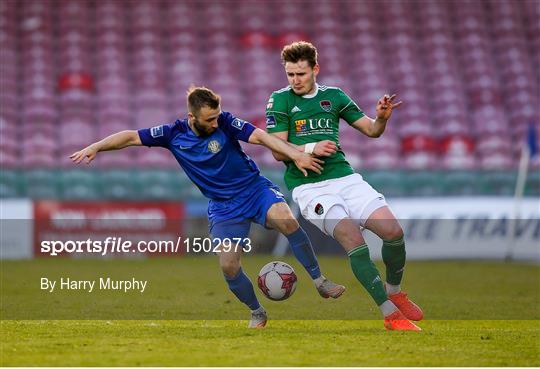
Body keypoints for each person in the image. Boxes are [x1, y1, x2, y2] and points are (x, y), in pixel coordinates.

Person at [71, 86, 345, 328]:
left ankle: (320, 281)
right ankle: (257, 312)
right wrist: (96, 146)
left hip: (253, 189)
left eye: (217, 116)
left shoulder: (226, 123)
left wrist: (296, 153)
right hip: (223, 207)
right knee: (228, 265)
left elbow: (261, 136)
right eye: (209, 119)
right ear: (192, 118)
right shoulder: (172, 134)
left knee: (286, 219)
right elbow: (131, 136)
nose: (215, 123)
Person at [265, 41, 423, 331]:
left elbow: (371, 130)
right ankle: (390, 315)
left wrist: (382, 119)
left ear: (315, 69)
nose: (295, 80)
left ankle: (395, 292)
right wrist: (311, 146)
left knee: (393, 232)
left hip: (346, 179)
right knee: (353, 239)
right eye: (290, 74)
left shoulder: (334, 96)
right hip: (310, 187)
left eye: (300, 73)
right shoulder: (280, 100)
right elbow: (277, 149)